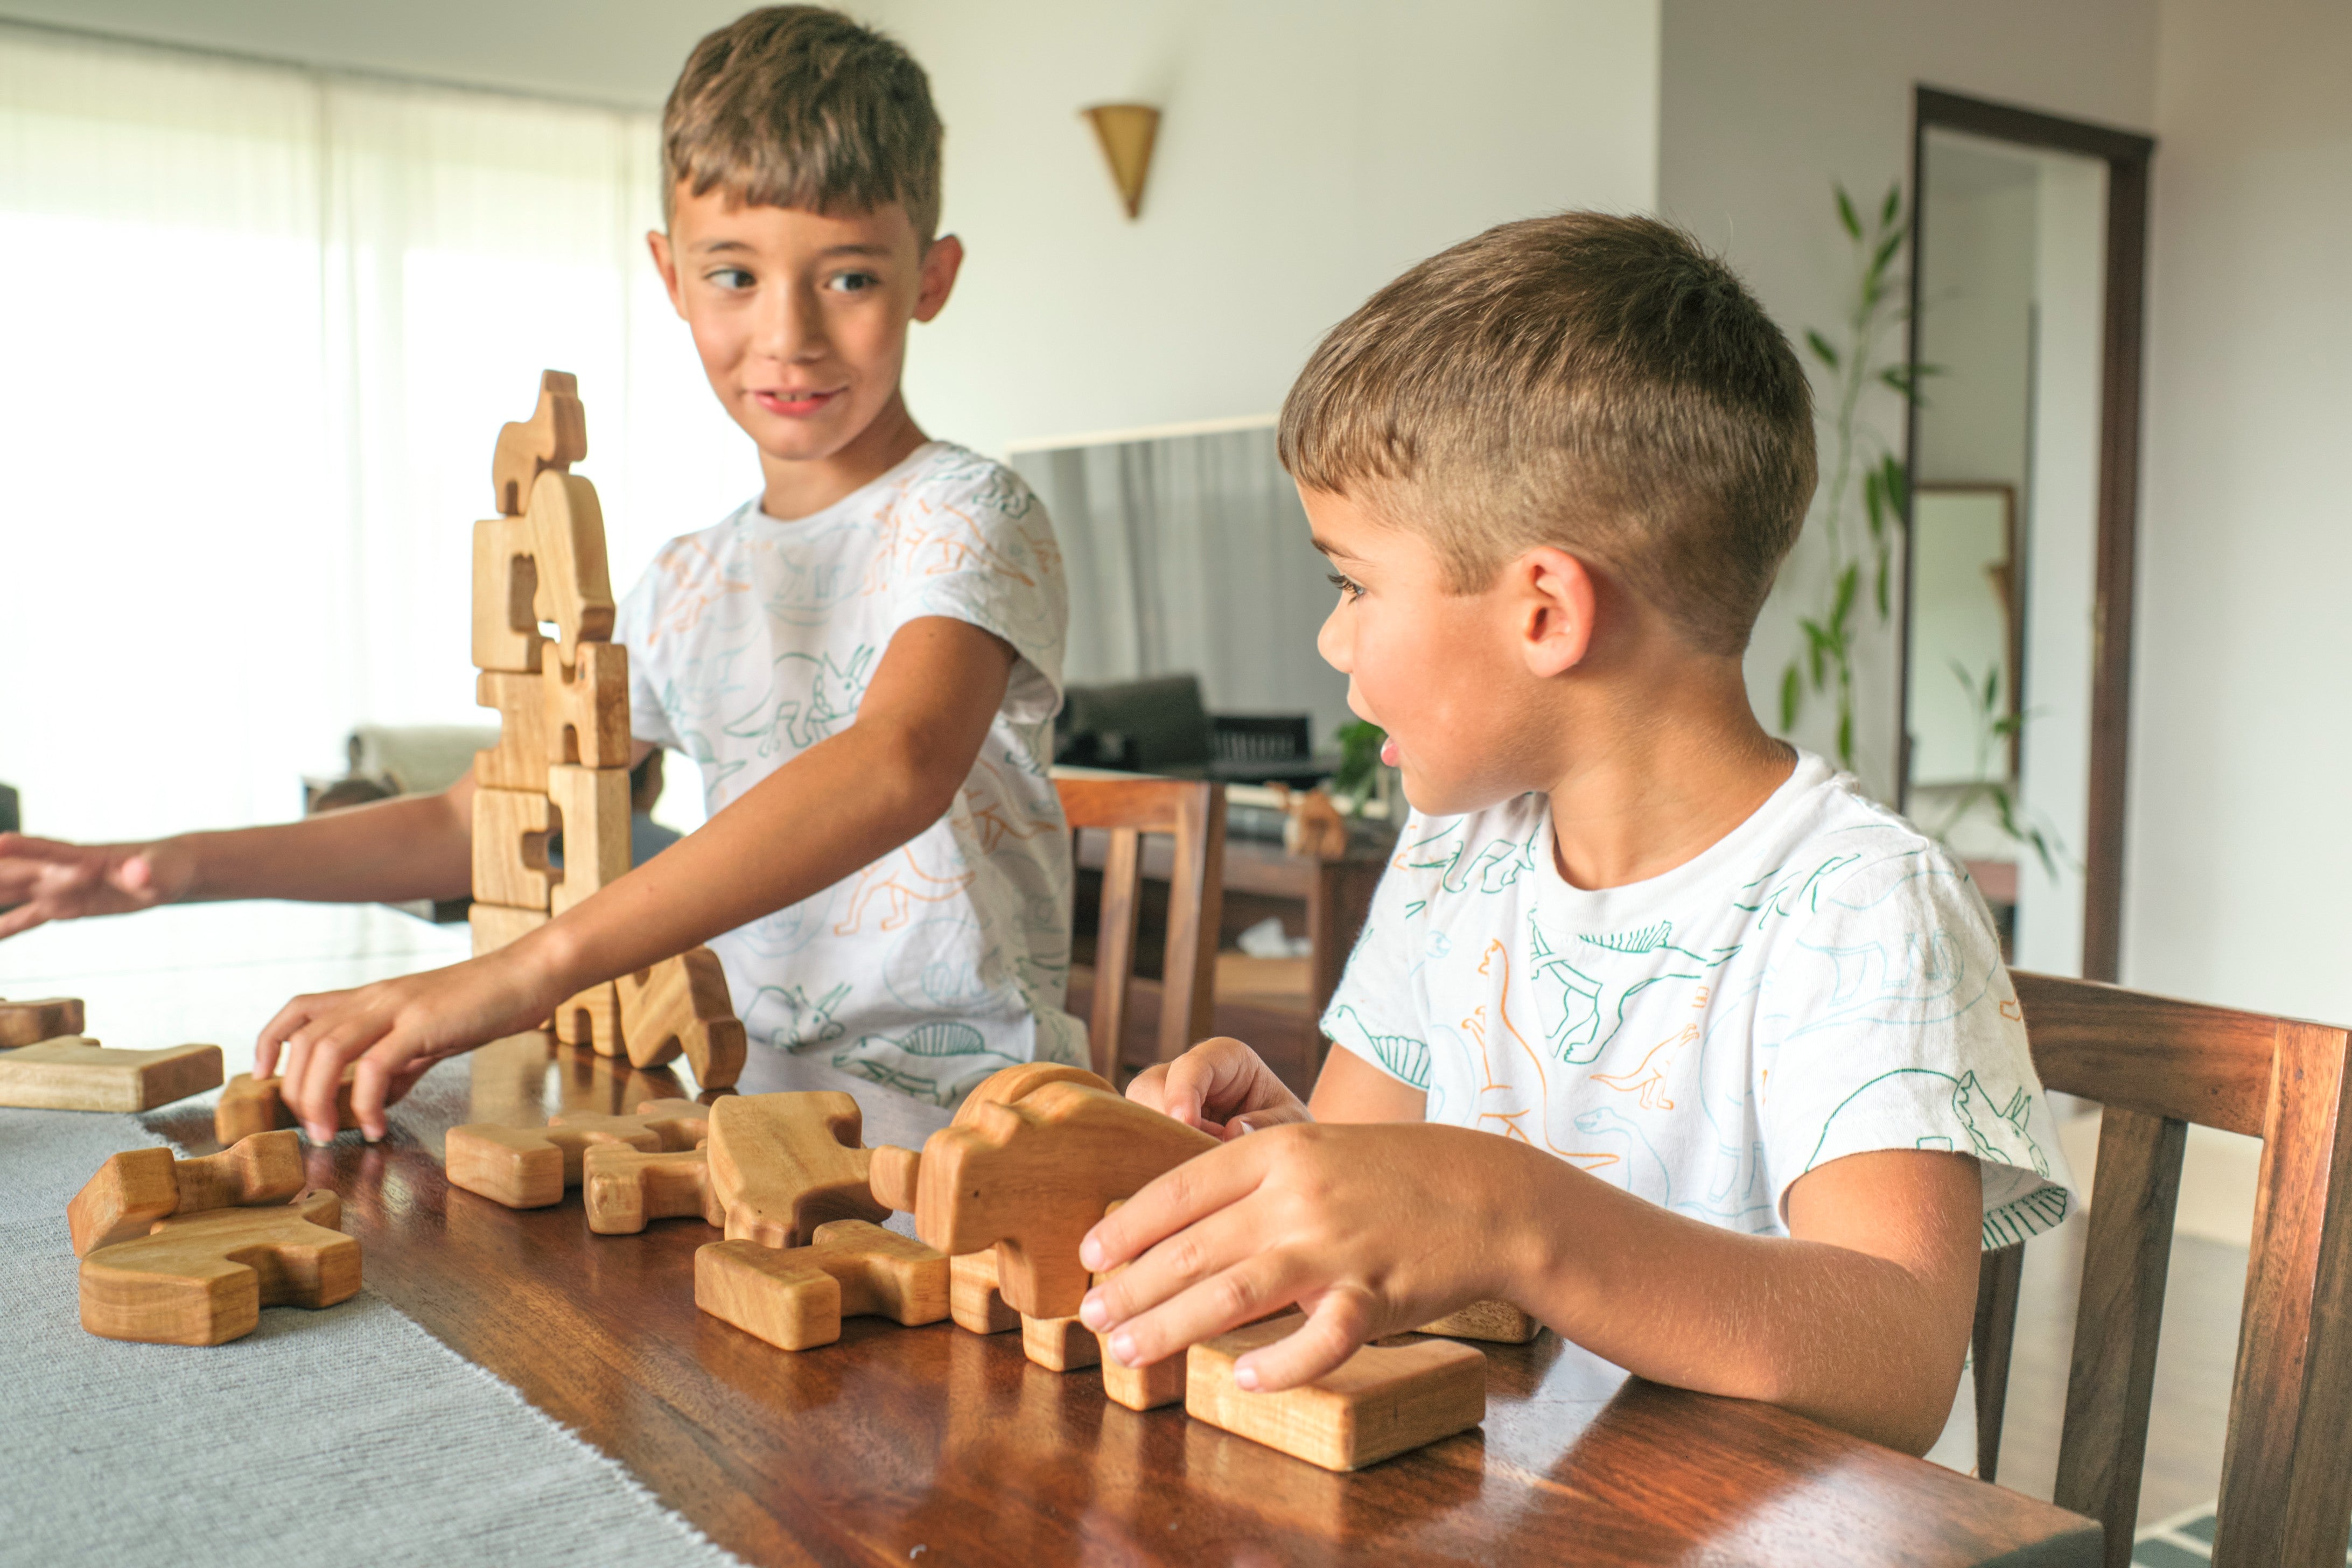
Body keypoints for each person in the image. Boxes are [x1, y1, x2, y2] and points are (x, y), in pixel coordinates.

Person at [1074, 213, 2074, 1455]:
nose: (1333, 638)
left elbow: (1897, 1358)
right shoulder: (1456, 852)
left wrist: (1512, 1212)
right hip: (1509, 1507)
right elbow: (1381, 1187)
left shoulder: (1860, 905)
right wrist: (1280, 1166)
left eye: (1354, 583)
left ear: (1545, 610)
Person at [0, 6, 1082, 1136]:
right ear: (670, 275)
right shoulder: (688, 580)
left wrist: (523, 972)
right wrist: (160, 869)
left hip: (983, 1121)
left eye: (849, 278)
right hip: (759, 1113)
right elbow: (484, 816)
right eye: (734, 274)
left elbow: (897, 761)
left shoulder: (974, 513)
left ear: (931, 278)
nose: (788, 335)